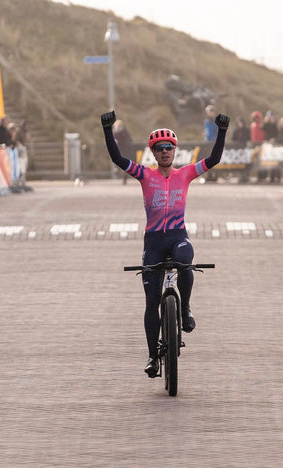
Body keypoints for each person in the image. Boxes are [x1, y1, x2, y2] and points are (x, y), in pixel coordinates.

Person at [100, 109, 230, 377]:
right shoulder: (145, 175)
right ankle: (152, 358)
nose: (165, 152)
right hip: (154, 241)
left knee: (186, 259)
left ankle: (184, 309)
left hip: (177, 236)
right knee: (151, 301)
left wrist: (222, 131)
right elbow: (117, 158)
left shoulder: (185, 174)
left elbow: (214, 159)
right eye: (159, 148)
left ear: (175, 150)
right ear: (153, 152)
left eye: (169, 147)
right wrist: (107, 130)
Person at [112, 119, 133, 184]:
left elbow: (130, 139)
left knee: (124, 163)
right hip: (118, 149)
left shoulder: (124, 131)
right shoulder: (114, 132)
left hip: (124, 149)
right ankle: (117, 170)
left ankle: (124, 176)